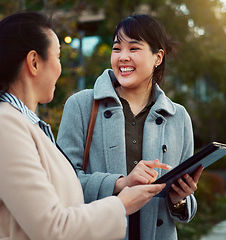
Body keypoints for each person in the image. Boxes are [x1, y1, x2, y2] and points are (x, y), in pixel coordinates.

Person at [0, 11, 167, 240]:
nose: (61, 68)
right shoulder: (4, 128)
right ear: (34, 62)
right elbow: (53, 229)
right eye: (57, 57)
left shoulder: (27, 125)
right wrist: (121, 205)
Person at [57, 14, 203, 240]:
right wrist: (121, 184)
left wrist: (181, 198)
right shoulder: (81, 105)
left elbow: (186, 209)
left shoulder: (178, 117)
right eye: (117, 49)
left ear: (158, 57)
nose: (123, 57)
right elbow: (62, 183)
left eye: (134, 49)